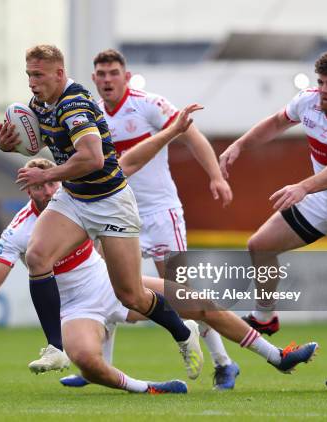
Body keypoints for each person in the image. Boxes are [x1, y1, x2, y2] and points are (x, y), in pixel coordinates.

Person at [0, 157, 318, 394]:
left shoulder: (73, 197)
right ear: (28, 189)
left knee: (198, 302)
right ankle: (149, 388)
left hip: (109, 283)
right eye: (39, 187)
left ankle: (277, 356)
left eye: (50, 183)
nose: (48, 191)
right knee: (86, 362)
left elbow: (118, 169)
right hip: (76, 307)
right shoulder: (19, 229)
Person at [0, 45, 203, 380]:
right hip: (75, 197)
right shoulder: (39, 103)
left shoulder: (74, 104)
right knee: (37, 256)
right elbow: (35, 145)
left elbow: (92, 158)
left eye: (39, 75)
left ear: (59, 73)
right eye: (29, 75)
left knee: (131, 294)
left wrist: (46, 174)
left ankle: (183, 333)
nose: (32, 82)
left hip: (110, 201)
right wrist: (9, 144)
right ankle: (56, 347)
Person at [65, 48, 239, 390]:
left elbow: (192, 135)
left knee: (184, 294)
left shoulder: (149, 105)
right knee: (107, 288)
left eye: (113, 73)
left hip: (160, 213)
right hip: (113, 213)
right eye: (100, 74)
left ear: (126, 77)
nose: (106, 79)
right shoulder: (92, 114)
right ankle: (98, 367)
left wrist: (216, 176)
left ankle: (224, 363)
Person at [219, 49, 327, 391]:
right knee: (260, 245)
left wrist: (302, 187)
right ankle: (265, 317)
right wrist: (240, 144)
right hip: (321, 196)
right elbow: (277, 122)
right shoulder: (308, 101)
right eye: (321, 82)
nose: (323, 90)